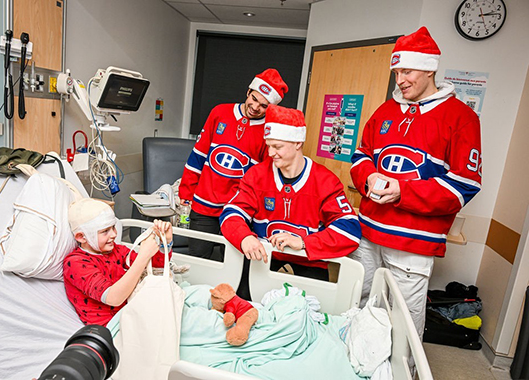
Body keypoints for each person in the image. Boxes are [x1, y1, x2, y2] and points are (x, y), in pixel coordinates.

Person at [349, 26, 482, 339]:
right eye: (396, 72)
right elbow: (360, 155)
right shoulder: (385, 110)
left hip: (412, 243)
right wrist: (368, 176)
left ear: (430, 68)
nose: (400, 80)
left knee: (402, 324)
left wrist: (401, 191)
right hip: (367, 233)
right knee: (359, 304)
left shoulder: (461, 118)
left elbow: (464, 185)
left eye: (407, 71)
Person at [220, 105, 361, 281]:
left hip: (308, 263)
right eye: (268, 145)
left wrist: (303, 242)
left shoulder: (325, 181)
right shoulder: (256, 175)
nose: (271, 153)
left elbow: (350, 232)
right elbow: (231, 214)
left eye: (277, 146)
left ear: (297, 143)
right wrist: (244, 237)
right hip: (263, 260)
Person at [179, 68, 289, 260]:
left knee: (231, 265)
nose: (255, 107)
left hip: (237, 212)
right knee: (198, 261)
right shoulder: (219, 112)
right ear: (248, 92)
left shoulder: (268, 131)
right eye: (254, 99)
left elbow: (264, 179)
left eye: (263, 106)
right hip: (204, 207)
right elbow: (198, 155)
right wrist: (186, 192)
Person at [63, 198, 173, 326]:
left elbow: (156, 266)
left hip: (134, 309)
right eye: (105, 231)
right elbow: (113, 298)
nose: (114, 234)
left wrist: (166, 241)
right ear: (82, 237)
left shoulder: (116, 250)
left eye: (113, 227)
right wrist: (143, 256)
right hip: (115, 325)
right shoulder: (76, 263)